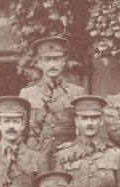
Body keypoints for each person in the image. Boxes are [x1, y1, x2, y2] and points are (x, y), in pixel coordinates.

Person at [19, 37, 86, 168]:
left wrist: (75, 145)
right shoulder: (27, 94)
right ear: (39, 63)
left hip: (67, 156)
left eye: (56, 59)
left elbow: (85, 129)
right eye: (47, 60)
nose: (52, 65)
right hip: (36, 157)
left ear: (63, 61)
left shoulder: (77, 92)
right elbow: (21, 132)